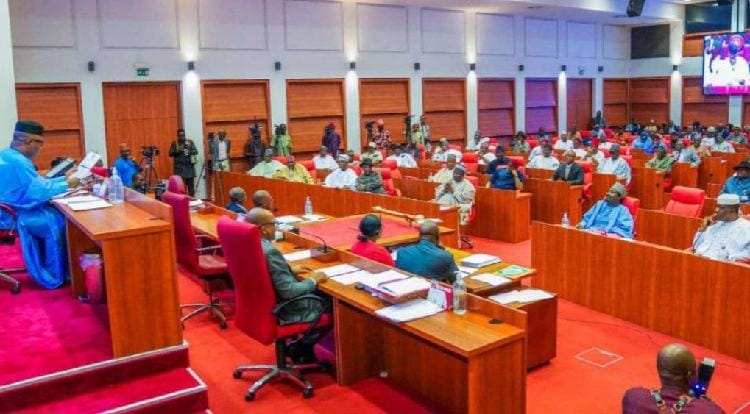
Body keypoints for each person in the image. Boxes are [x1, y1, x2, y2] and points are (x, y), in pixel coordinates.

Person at [0, 120, 79, 289]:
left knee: (55, 213)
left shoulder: (7, 155)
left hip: (9, 210)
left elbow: (35, 184)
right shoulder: (19, 162)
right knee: (59, 221)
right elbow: (37, 192)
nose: (40, 149)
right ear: (29, 141)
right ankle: (54, 275)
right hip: (11, 217)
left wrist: (63, 179)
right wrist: (67, 184)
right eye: (40, 144)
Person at [246, 207, 329, 363]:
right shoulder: (270, 252)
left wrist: (288, 269)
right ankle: (302, 347)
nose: (276, 227)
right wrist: (314, 280)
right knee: (330, 304)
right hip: (284, 309)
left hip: (258, 306)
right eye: (273, 224)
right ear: (263, 229)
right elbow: (290, 291)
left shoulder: (249, 244)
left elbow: (265, 272)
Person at [622, 343, 724, 414]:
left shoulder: (633, 398)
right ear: (690, 376)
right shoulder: (709, 411)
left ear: (660, 371)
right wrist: (706, 405)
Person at [692, 193, 750, 261]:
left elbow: (747, 254)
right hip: (697, 259)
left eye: (721, 208)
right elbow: (695, 246)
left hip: (721, 265)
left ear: (732, 210)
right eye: (717, 206)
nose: (716, 210)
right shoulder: (713, 224)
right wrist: (703, 229)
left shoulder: (746, 227)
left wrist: (730, 259)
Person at [168, 129, 198, 196]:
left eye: (183, 135)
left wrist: (189, 151)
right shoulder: (175, 143)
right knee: (181, 188)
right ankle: (183, 200)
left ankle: (192, 200)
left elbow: (196, 151)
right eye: (180, 135)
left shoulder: (190, 142)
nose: (182, 137)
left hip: (189, 168)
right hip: (179, 169)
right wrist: (178, 151)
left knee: (191, 188)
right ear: (177, 136)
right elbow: (170, 153)